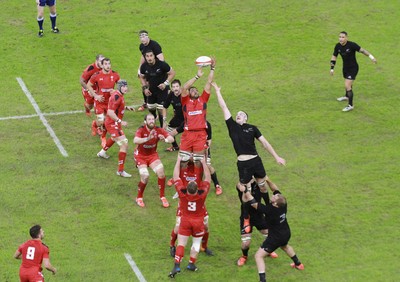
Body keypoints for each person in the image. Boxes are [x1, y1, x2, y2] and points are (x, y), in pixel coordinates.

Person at [212, 82, 285, 233]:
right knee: (245, 190)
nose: (239, 115)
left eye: (242, 114)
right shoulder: (232, 126)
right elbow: (224, 108)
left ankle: (268, 211)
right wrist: (217, 91)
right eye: (238, 113)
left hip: (256, 160)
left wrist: (276, 156)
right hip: (243, 163)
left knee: (263, 185)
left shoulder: (252, 128)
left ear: (245, 119)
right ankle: (246, 216)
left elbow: (264, 143)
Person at [241, 187, 304, 282]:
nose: (274, 195)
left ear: (275, 203)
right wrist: (266, 179)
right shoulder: (283, 205)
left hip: (275, 238)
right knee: (285, 246)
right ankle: (298, 264)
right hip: (286, 233)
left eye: (275, 197)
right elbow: (276, 189)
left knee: (258, 256)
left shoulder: (270, 210)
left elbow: (253, 203)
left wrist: (245, 190)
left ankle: (262, 280)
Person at [168, 155, 211, 278]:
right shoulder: (202, 193)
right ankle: (191, 264)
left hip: (185, 220)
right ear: (197, 188)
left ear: (187, 188)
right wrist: (203, 163)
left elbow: (176, 176)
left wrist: (177, 161)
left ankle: (177, 264)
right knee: (196, 244)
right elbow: (207, 177)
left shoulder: (182, 193)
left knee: (181, 244)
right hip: (198, 222)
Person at [177, 58, 216, 182]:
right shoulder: (185, 101)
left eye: (196, 90)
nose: (194, 91)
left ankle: (198, 185)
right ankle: (183, 185)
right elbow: (184, 88)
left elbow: (209, 83)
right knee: (183, 161)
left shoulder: (203, 99)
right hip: (187, 135)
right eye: (192, 90)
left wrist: (212, 68)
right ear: (189, 94)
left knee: (198, 162)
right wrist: (197, 76)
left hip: (200, 135)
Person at [133, 113, 174, 208]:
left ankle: (162, 197)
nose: (151, 121)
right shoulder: (141, 129)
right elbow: (135, 140)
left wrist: (165, 139)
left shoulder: (158, 130)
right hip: (140, 156)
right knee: (145, 176)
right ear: (145, 122)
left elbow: (171, 138)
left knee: (161, 173)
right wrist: (148, 138)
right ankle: (139, 197)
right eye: (149, 119)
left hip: (152, 155)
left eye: (152, 119)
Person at [330, 31, 377, 112]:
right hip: (345, 68)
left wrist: (372, 57)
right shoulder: (337, 46)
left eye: (343, 37)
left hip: (353, 68)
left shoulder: (352, 45)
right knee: (347, 84)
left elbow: (362, 51)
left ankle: (350, 105)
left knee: (347, 85)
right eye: (340, 37)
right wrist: (332, 68)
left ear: (346, 38)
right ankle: (347, 96)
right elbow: (334, 56)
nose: (341, 39)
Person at [97, 80, 135, 177]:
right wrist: (120, 121)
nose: (126, 88)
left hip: (113, 123)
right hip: (112, 124)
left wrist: (126, 108)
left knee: (114, 138)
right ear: (119, 87)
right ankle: (120, 171)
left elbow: (117, 106)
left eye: (126, 86)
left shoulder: (118, 95)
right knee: (124, 145)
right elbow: (110, 112)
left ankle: (102, 153)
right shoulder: (116, 96)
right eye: (123, 86)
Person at [236, 179, 278, 267]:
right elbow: (244, 195)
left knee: (269, 234)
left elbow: (265, 191)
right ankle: (244, 256)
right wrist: (248, 186)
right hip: (246, 217)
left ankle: (267, 250)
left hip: (259, 215)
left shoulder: (258, 184)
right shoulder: (241, 184)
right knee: (245, 243)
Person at [87, 58, 120, 147]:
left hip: (110, 103)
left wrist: (115, 91)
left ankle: (100, 132)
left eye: (109, 64)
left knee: (106, 121)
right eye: (105, 64)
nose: (108, 66)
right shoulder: (96, 75)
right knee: (101, 122)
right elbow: (88, 85)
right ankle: (98, 129)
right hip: (99, 102)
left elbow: (120, 86)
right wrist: (96, 96)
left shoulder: (115, 75)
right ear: (102, 65)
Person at [139, 50, 176, 128]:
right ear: (145, 57)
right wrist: (145, 88)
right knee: (151, 107)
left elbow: (172, 73)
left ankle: (162, 128)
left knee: (161, 109)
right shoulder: (143, 67)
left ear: (154, 56)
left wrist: (165, 84)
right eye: (147, 56)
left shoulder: (162, 65)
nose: (149, 58)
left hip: (162, 90)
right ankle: (154, 119)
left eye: (151, 56)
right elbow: (142, 77)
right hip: (151, 90)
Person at [137, 30, 165, 111]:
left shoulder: (155, 45)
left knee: (155, 86)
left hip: (157, 69)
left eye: (144, 37)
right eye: (141, 37)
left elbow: (161, 59)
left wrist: (158, 70)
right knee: (144, 84)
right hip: (147, 67)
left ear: (147, 36)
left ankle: (160, 103)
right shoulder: (141, 46)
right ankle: (146, 102)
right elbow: (143, 56)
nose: (143, 39)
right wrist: (139, 68)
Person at [80, 54, 105, 136]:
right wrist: (88, 90)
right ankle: (87, 107)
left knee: (99, 108)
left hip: (98, 90)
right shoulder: (91, 68)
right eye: (101, 62)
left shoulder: (105, 67)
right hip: (88, 90)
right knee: (89, 106)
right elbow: (82, 81)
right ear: (97, 61)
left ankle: (98, 127)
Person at [162, 79, 184, 152]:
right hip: (177, 117)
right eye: (174, 87)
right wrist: (164, 120)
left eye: (177, 86)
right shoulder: (171, 94)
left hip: (187, 119)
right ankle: (175, 146)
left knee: (188, 134)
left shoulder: (184, 95)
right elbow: (165, 107)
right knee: (167, 132)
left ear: (180, 87)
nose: (176, 88)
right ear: (171, 88)